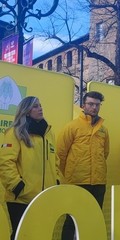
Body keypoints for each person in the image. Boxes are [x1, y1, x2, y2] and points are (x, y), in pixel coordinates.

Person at [0, 96, 60, 240]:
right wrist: (18, 187)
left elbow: (55, 161)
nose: (40, 108)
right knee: (22, 235)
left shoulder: (49, 133)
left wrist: (56, 181)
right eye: (35, 106)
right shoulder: (15, 132)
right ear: (26, 111)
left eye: (40, 105)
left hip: (45, 198)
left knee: (41, 235)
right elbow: (5, 162)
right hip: (21, 199)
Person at [56, 91, 109, 240]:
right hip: (77, 182)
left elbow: (105, 153)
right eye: (91, 104)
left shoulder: (104, 130)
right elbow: (60, 154)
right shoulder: (72, 127)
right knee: (71, 220)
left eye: (97, 105)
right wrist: (68, 176)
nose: (94, 108)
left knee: (93, 219)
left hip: (98, 183)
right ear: (83, 105)